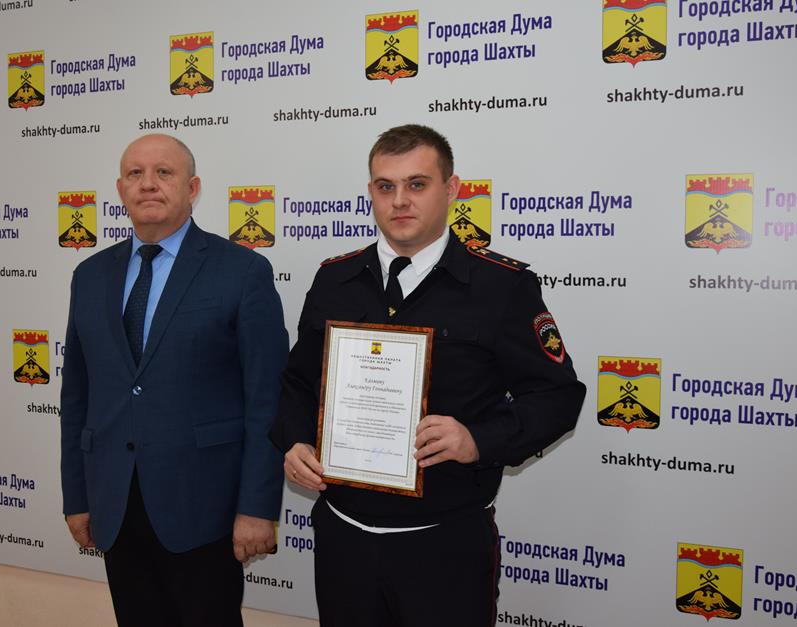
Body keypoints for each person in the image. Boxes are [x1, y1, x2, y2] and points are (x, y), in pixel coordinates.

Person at [271, 124, 586, 627]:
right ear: (371, 192)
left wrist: (477, 440)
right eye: (385, 186)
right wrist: (294, 441)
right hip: (343, 538)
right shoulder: (334, 279)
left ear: (452, 189)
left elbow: (558, 395)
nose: (400, 200)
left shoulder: (501, 286)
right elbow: (296, 382)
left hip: (445, 544)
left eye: (416, 184)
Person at [60, 133, 288, 627]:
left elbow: (266, 400)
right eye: (135, 174)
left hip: (204, 509)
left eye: (164, 172)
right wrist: (77, 497)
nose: (148, 184)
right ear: (120, 189)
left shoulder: (242, 271)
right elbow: (76, 396)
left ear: (193, 188)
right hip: (115, 505)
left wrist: (256, 507)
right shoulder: (89, 275)